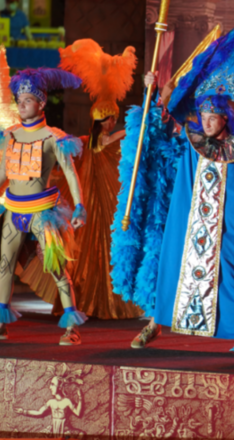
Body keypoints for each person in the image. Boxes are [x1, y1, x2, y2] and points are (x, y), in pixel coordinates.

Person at [113, 17, 234, 356]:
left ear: (225, 118)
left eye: (214, 117)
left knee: (233, 278)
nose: (208, 121)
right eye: (204, 116)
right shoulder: (190, 143)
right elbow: (159, 130)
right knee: (171, 269)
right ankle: (155, 321)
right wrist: (152, 92)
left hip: (228, 228)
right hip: (186, 226)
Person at [0, 68, 87, 345]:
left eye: (27, 100)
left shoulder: (53, 138)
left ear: (41, 103)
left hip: (42, 213)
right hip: (13, 210)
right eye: (18, 100)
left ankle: (72, 328)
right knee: (5, 266)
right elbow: (3, 170)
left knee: (56, 267)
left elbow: (71, 174)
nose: (21, 105)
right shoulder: (11, 134)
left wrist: (80, 207)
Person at [55, 39, 142, 319]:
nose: (111, 123)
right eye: (108, 119)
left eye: (113, 118)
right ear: (99, 121)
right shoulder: (93, 141)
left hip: (103, 202)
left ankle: (98, 299)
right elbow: (122, 136)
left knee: (103, 244)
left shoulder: (95, 141)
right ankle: (91, 299)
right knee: (96, 245)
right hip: (91, 203)